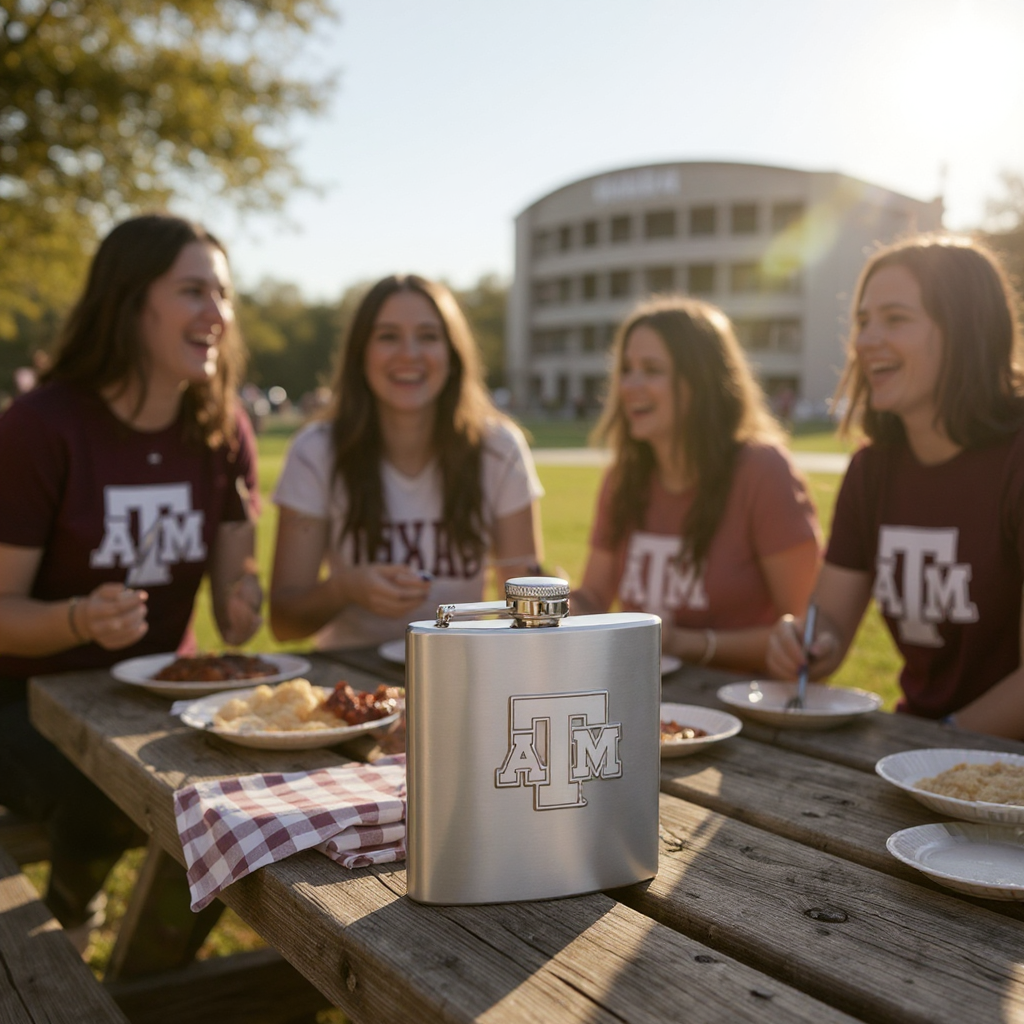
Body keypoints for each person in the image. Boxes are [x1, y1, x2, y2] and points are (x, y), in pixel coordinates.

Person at [0, 213, 262, 941]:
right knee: (107, 788)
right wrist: (78, 618)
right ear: (128, 300)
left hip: (158, 696)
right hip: (23, 700)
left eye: (223, 294)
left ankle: (164, 964)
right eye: (193, 291)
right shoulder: (40, 426)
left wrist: (245, 598)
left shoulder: (224, 428)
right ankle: (71, 916)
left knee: (252, 790)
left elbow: (236, 599)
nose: (218, 314)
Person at [766, 235, 1024, 738]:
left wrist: (937, 743)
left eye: (896, 319)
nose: (865, 341)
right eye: (863, 322)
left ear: (966, 330)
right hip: (920, 743)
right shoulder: (872, 468)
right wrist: (805, 644)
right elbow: (830, 623)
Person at [269, 274, 544, 649]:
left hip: (462, 672)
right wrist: (345, 589)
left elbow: (526, 611)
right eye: (388, 336)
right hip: (351, 673)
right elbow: (284, 622)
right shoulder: (315, 451)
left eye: (428, 336)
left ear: (453, 354)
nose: (409, 353)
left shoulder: (499, 449)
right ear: (360, 354)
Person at [571, 296, 820, 672]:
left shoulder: (763, 472)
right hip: (644, 699)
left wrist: (690, 644)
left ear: (701, 381)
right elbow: (593, 597)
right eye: (626, 369)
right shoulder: (622, 479)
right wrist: (558, 606)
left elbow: (804, 633)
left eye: (652, 370)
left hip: (743, 700)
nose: (629, 385)